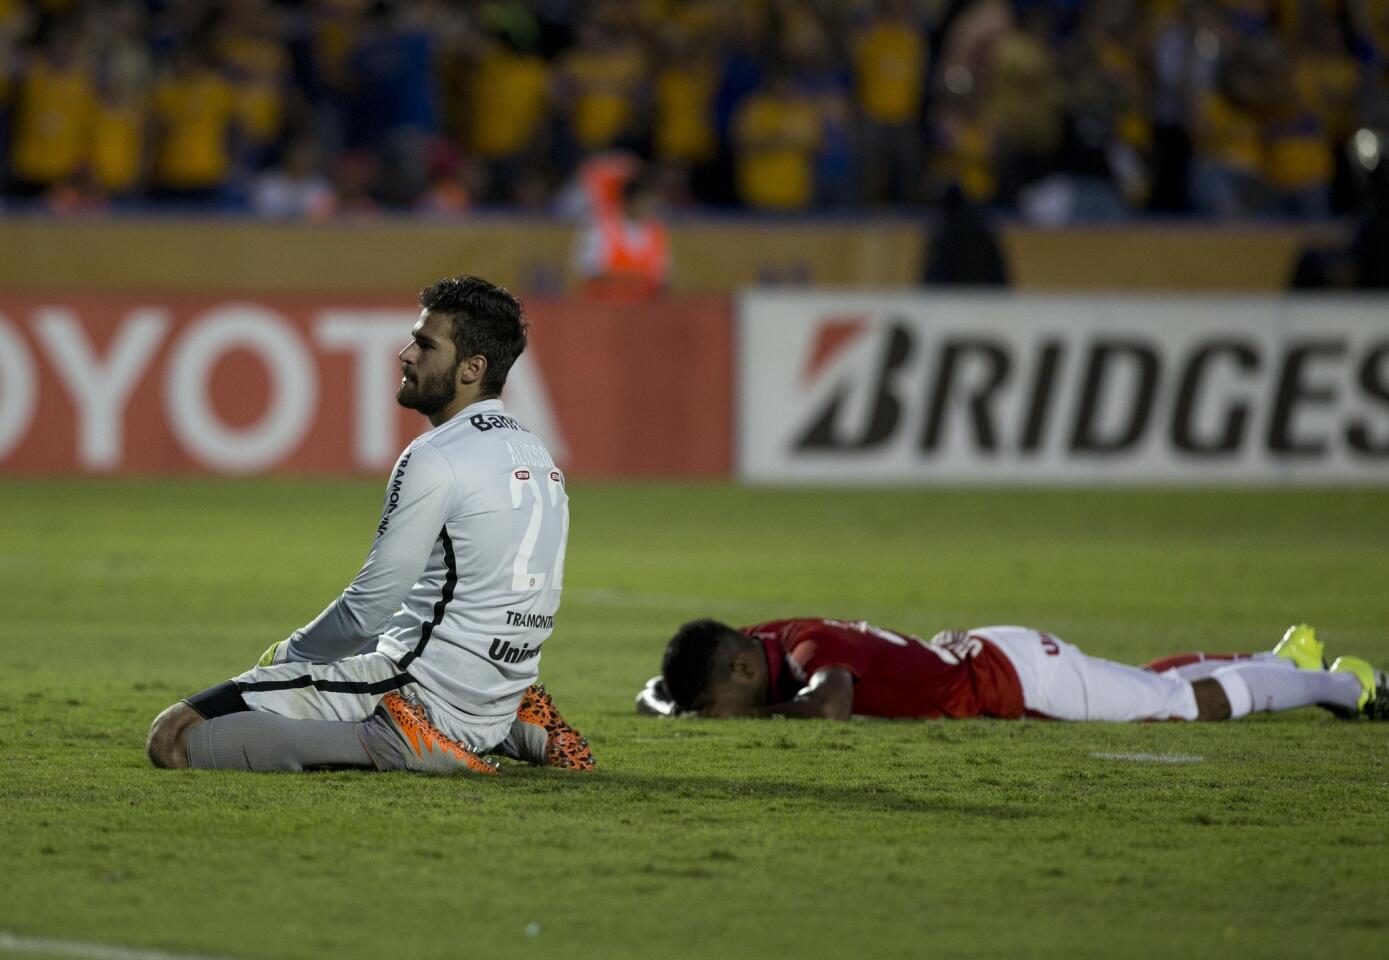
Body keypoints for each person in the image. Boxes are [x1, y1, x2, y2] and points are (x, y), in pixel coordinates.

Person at [147, 276, 592, 775]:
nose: (405, 354)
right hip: (494, 693)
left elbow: (367, 609)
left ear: (472, 368)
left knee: (173, 737)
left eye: (425, 345)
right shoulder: (537, 451)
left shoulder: (436, 456)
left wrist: (288, 656)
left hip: (422, 694)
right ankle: (519, 720)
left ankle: (408, 743)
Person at [636, 619, 1386, 723]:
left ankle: (1342, 685)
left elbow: (830, 706)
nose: (719, 715)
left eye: (716, 703)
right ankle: (1281, 659)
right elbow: (670, 691)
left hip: (1022, 680)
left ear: (741, 665)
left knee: (1186, 708)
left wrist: (754, 718)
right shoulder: (765, 641)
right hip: (998, 655)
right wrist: (669, 705)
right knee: (1149, 682)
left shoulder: (804, 656)